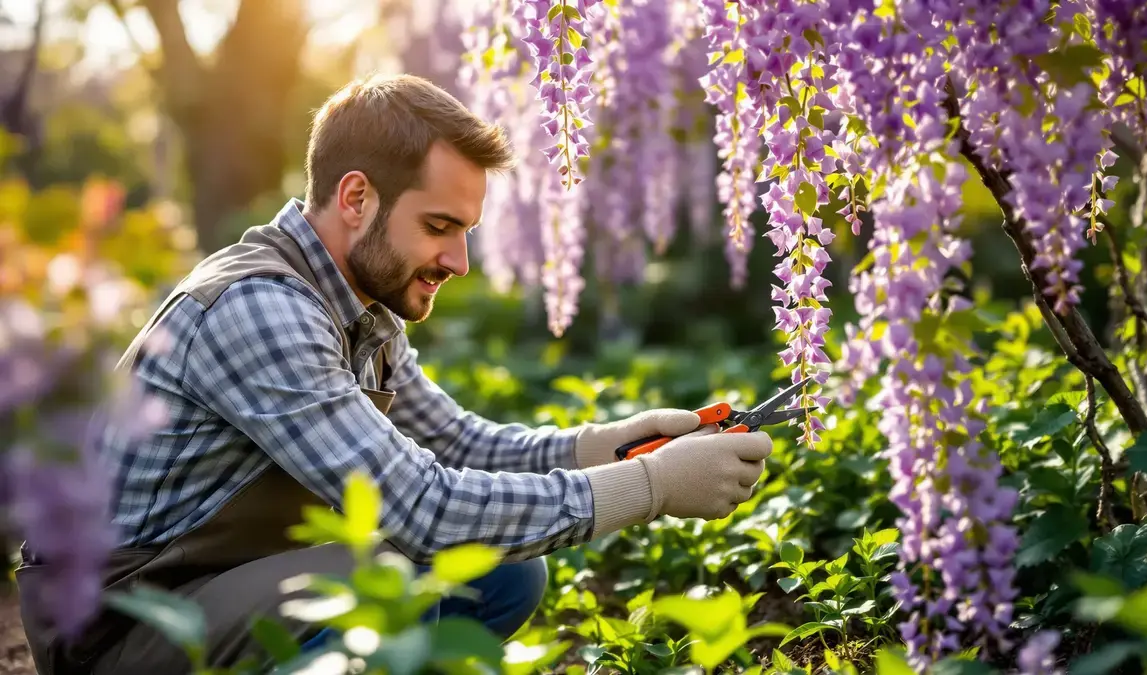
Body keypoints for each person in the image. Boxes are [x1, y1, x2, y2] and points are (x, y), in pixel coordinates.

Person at [15, 73, 774, 674]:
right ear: (356, 198)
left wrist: (618, 443)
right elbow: (422, 509)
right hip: (119, 623)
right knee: (380, 573)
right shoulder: (259, 307)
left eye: (465, 231)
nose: (459, 261)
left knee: (503, 577)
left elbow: (462, 445)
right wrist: (651, 487)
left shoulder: (358, 305)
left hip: (225, 580)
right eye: (439, 226)